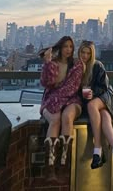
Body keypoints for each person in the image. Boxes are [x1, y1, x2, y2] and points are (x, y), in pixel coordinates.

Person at [39, 36, 83, 180]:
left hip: (71, 100)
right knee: (55, 119)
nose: (68, 50)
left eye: (71, 46)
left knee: (67, 117)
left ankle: (64, 164)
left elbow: (72, 88)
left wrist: (57, 96)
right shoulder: (53, 63)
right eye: (65, 46)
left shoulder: (77, 65)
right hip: (51, 100)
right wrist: (47, 63)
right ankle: (50, 167)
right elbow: (47, 83)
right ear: (60, 48)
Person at [78, 40, 113, 170]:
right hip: (94, 100)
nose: (85, 56)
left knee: (92, 106)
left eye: (88, 53)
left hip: (104, 95)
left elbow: (104, 87)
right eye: (83, 52)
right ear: (79, 52)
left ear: (92, 54)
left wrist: (92, 93)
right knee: (104, 115)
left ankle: (97, 149)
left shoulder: (97, 65)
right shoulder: (77, 68)